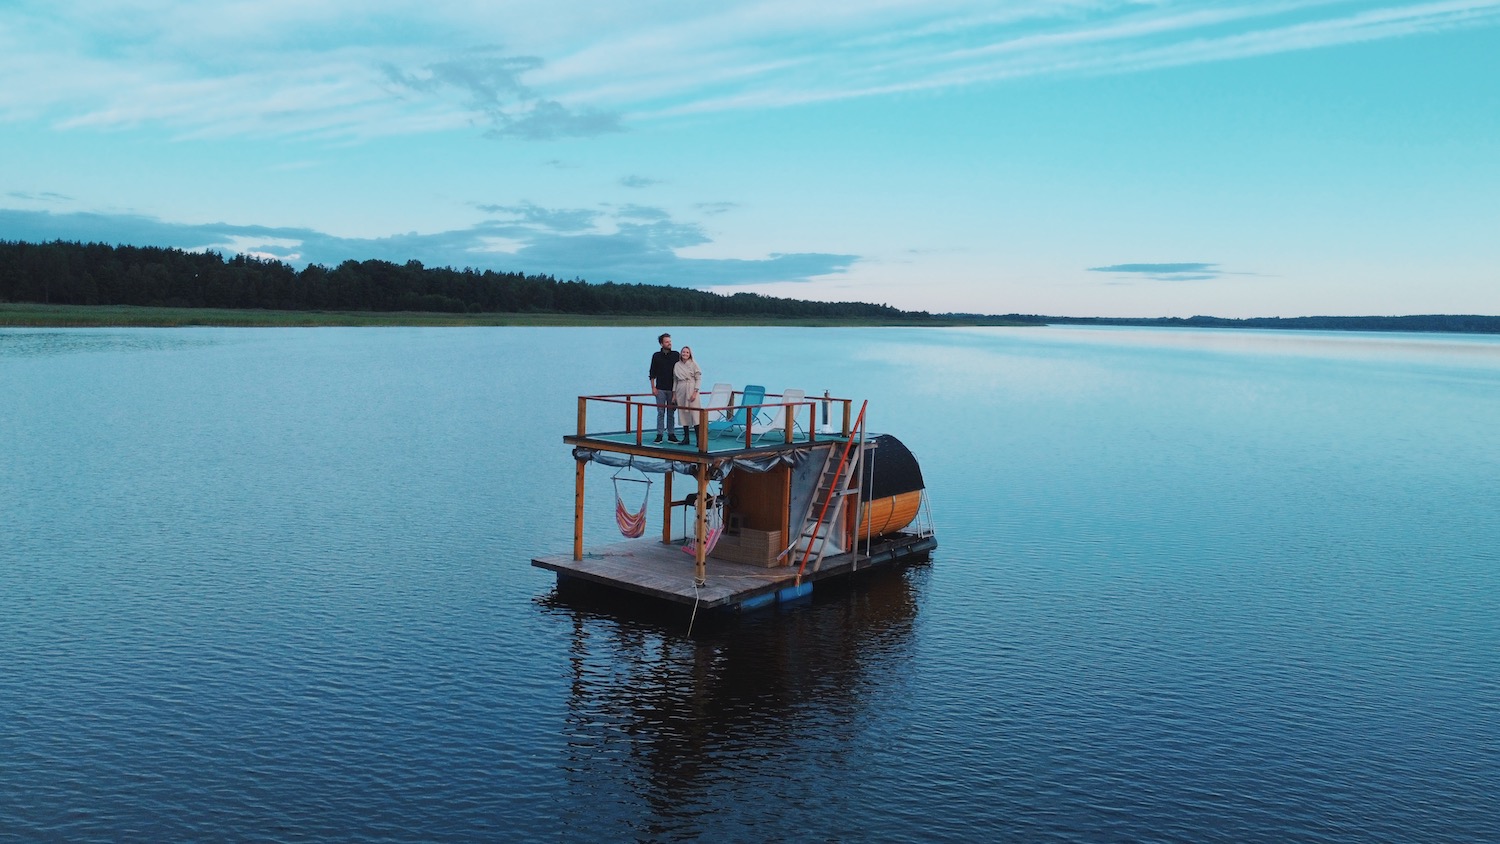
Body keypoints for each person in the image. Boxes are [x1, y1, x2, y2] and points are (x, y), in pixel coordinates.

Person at [648, 332, 680, 443]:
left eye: (670, 341)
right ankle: (659, 434)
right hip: (660, 388)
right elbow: (652, 372)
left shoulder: (676, 355)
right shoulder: (656, 356)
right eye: (667, 342)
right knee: (660, 412)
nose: (669, 343)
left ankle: (671, 434)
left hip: (672, 389)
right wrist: (653, 387)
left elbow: (684, 366)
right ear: (661, 344)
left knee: (671, 412)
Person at [673, 346, 703, 444]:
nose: (685, 354)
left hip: (691, 388)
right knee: (683, 414)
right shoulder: (677, 365)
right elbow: (675, 380)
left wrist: (695, 391)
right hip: (680, 389)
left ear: (690, 354)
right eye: (683, 352)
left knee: (695, 414)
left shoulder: (694, 364)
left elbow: (698, 378)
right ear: (681, 353)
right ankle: (686, 438)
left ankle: (699, 439)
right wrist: (674, 394)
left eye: (687, 352)